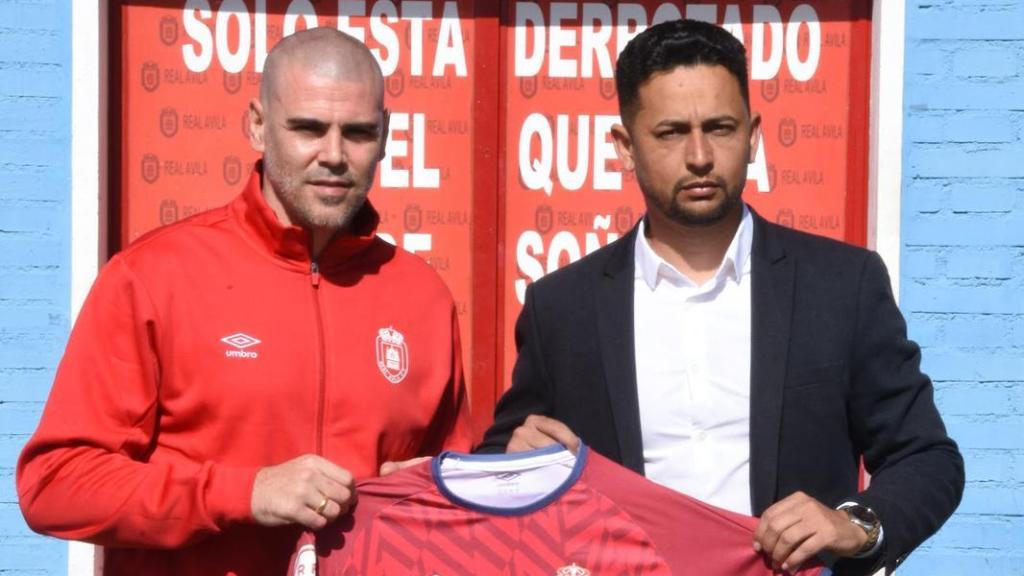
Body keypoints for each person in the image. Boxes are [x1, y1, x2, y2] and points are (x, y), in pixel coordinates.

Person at [477, 19, 963, 576]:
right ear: (624, 146)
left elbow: (927, 457)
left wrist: (855, 522)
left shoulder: (842, 286)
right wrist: (513, 470)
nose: (700, 155)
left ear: (752, 135)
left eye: (721, 127)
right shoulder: (561, 308)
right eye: (670, 132)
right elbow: (501, 465)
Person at [17, 27, 472, 576]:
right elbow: (55, 484)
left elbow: (459, 502)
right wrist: (243, 492)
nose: (333, 155)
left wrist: (442, 493)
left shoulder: (422, 296)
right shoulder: (153, 277)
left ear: (386, 134)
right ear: (257, 124)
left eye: (357, 133)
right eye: (307, 128)